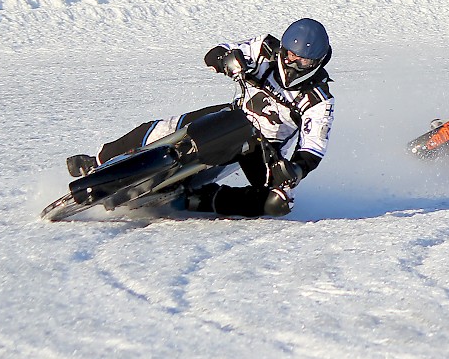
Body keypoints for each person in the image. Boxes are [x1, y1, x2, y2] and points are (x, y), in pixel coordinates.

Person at [65, 18, 335, 218]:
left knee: (279, 203)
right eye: (289, 54)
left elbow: (313, 148)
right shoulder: (265, 48)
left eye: (303, 61)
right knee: (166, 127)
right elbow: (215, 52)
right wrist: (228, 60)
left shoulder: (320, 100)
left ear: (319, 62)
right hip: (233, 116)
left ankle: (193, 200)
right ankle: (99, 160)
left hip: (263, 148)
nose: (292, 63)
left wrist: (296, 170)